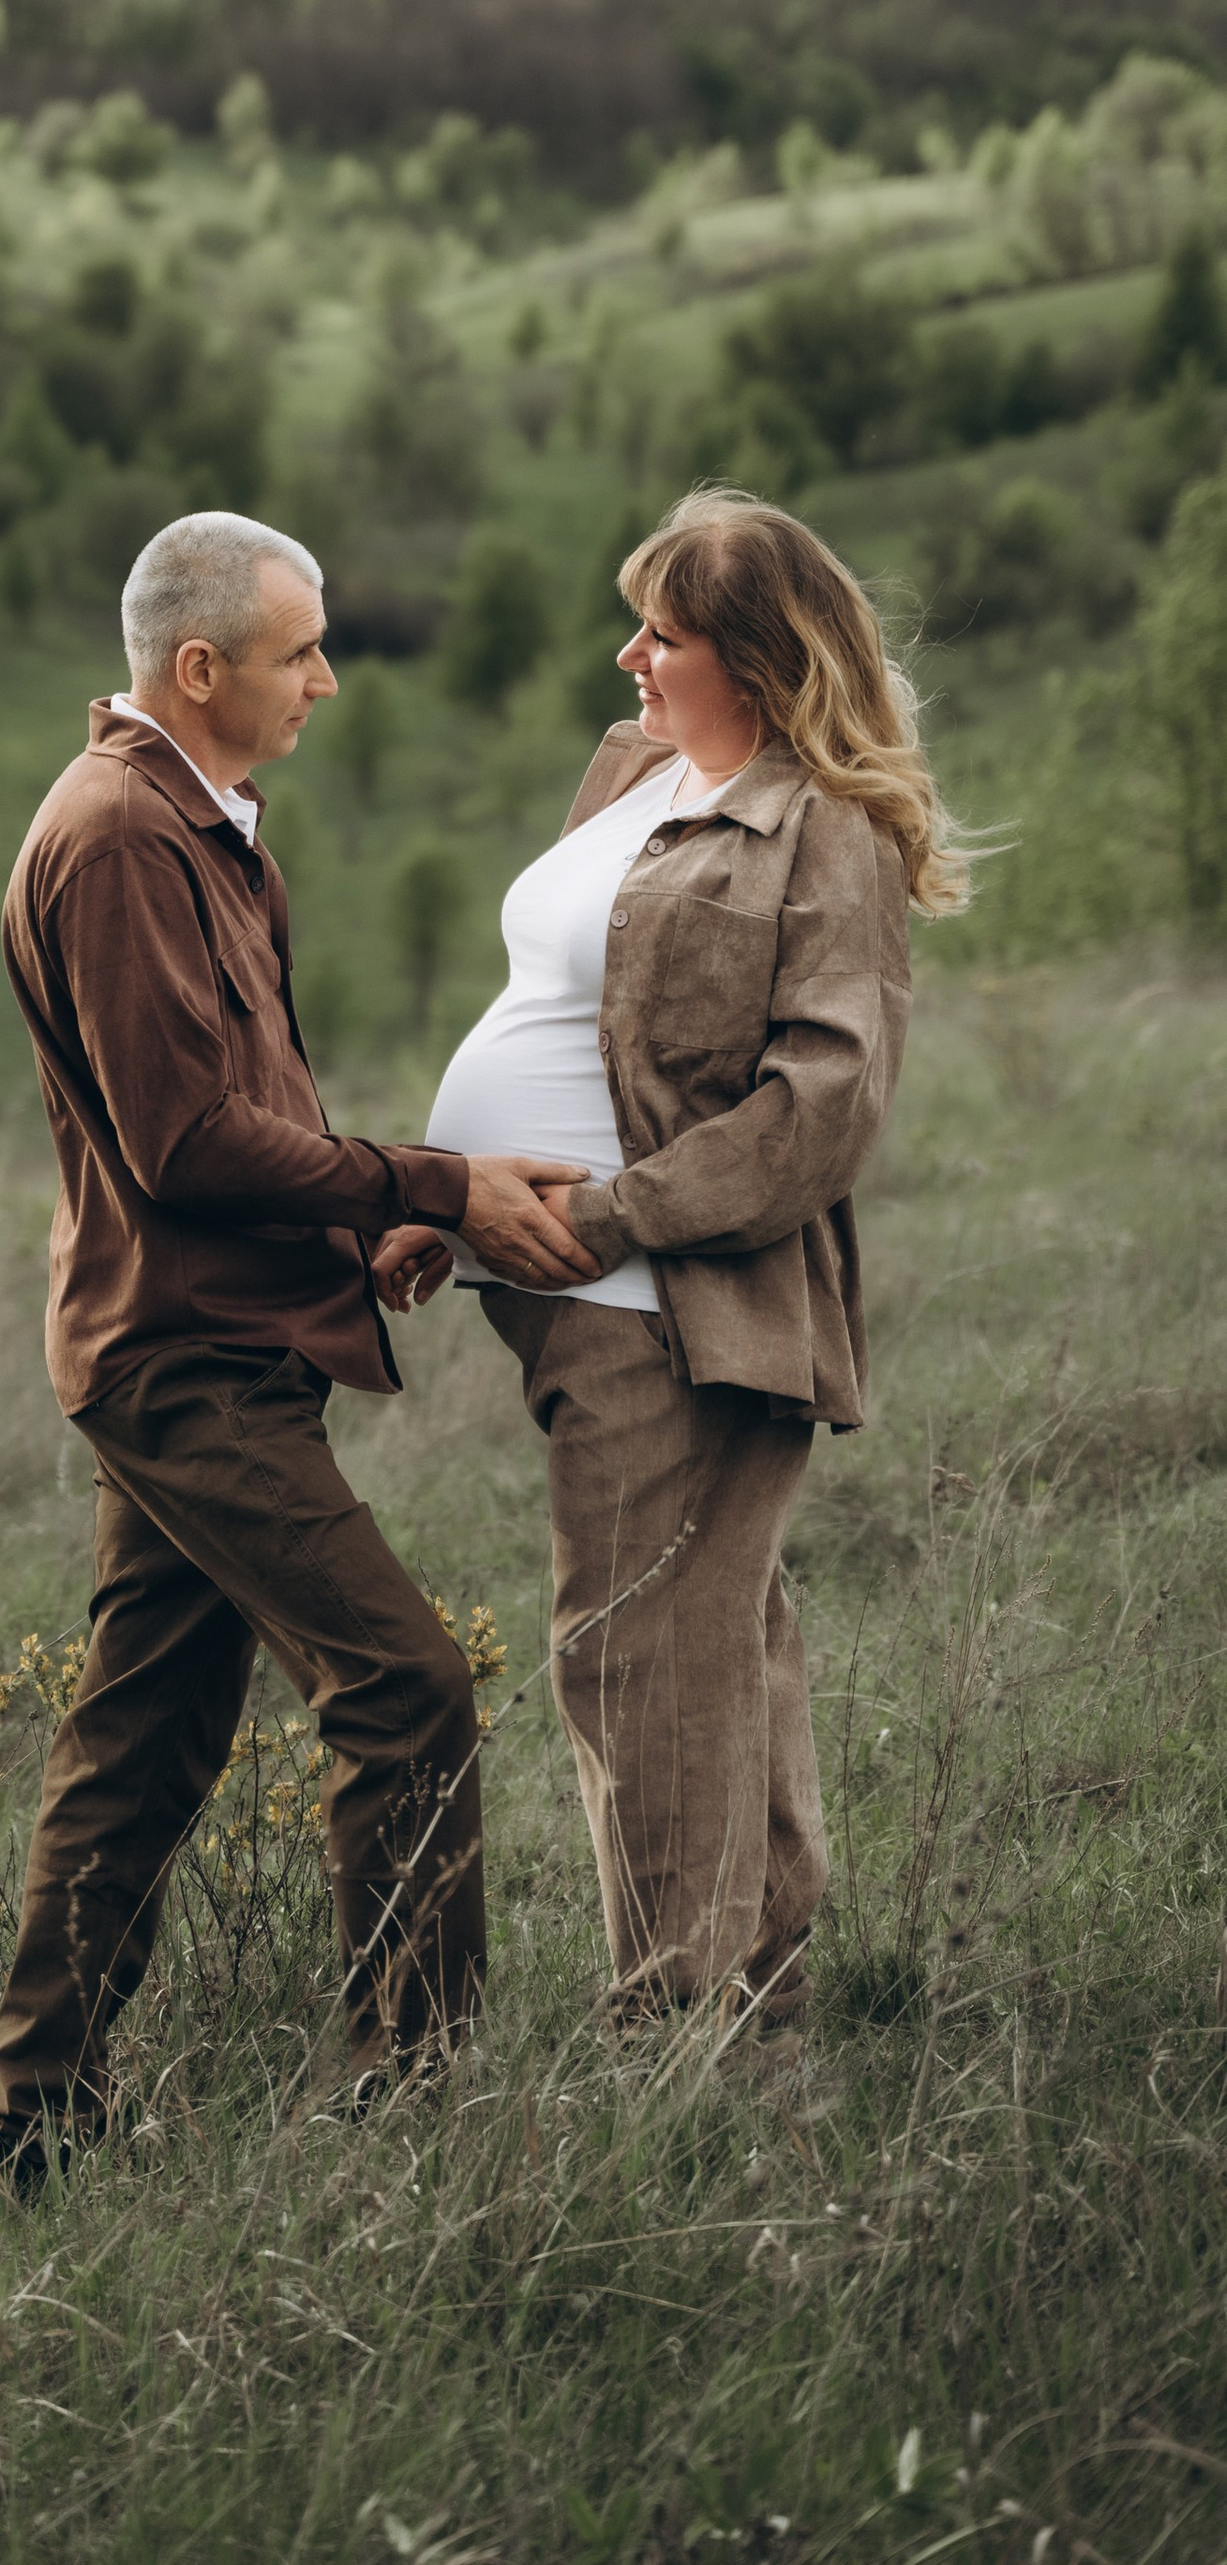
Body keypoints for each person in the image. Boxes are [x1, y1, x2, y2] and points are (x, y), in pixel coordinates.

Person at [0, 510, 601, 2183]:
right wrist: (443, 1184)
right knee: (404, 1689)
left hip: (216, 1339)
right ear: (200, 670)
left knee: (145, 1744)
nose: (327, 677)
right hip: (176, 1362)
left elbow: (238, 1123)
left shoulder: (202, 827)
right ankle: (419, 2115)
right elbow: (181, 1147)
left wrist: (366, 1221)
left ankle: (34, 2123)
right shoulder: (119, 839)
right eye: (299, 651)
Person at [377, 488, 967, 2042]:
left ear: (759, 662)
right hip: (570, 1292)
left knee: (642, 1664)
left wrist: (609, 1215)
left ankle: (674, 2024)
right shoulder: (642, 768)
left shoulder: (823, 831)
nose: (628, 654)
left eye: (665, 632)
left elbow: (820, 1111)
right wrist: (453, 1201)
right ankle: (746, 2005)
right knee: (704, 1645)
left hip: (667, 1305)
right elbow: (569, 1021)